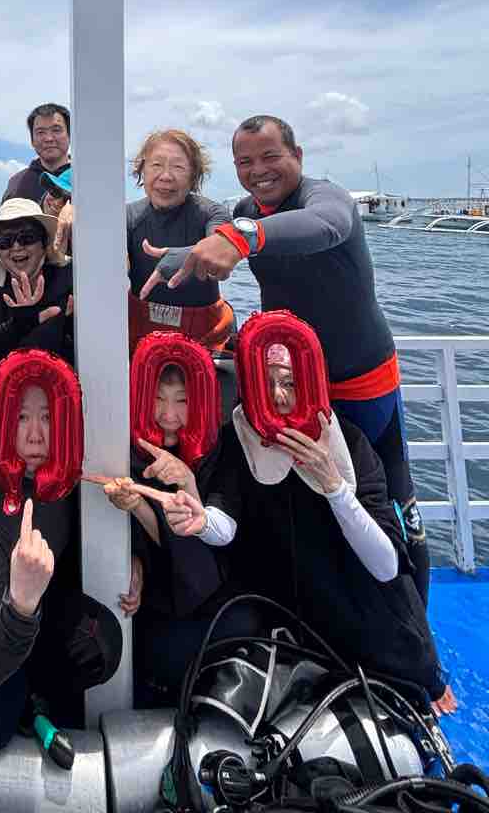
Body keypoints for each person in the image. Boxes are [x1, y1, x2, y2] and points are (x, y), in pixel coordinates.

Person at [161, 114, 430, 600]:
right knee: (296, 499)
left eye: (270, 156)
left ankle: (414, 621)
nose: (258, 170)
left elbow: (324, 227)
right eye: (245, 162)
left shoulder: (324, 198)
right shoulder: (245, 209)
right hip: (288, 385)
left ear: (298, 156)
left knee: (391, 502)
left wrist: (242, 237)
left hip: (358, 383)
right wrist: (183, 255)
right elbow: (217, 233)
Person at [169, 340, 451, 710]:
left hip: (362, 607)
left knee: (403, 679)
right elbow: (226, 521)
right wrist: (202, 519)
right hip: (295, 617)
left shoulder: (350, 443)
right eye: (266, 383)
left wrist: (334, 487)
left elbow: (386, 565)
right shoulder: (239, 443)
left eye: (289, 383)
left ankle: (426, 677)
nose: (277, 396)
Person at [0, 350, 121, 752]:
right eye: (21, 418)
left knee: (100, 645)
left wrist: (136, 556)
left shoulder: (63, 477)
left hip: (33, 594)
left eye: (47, 418)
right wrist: (22, 602)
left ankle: (37, 690)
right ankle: (18, 702)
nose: (35, 435)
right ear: (2, 422)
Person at [103, 338, 239, 705]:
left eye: (181, 401)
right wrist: (133, 560)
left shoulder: (218, 448)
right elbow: (146, 533)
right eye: (158, 399)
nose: (168, 414)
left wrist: (188, 483)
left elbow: (223, 530)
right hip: (158, 590)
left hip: (207, 588)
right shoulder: (126, 452)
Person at [0, 198, 72, 466]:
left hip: (61, 423)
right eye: (5, 241)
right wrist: (18, 326)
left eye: (27, 237)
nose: (16, 247)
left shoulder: (75, 282)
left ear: (44, 242)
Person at [127, 129, 235, 353]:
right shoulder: (127, 217)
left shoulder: (212, 213)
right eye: (156, 165)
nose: (166, 176)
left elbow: (221, 248)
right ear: (142, 171)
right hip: (140, 333)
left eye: (178, 167)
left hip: (206, 335)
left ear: (194, 176)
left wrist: (190, 256)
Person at [2, 104, 71, 202]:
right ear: (32, 140)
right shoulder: (17, 183)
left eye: (56, 130)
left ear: (70, 135)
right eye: (40, 132)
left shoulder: (84, 176)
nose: (49, 138)